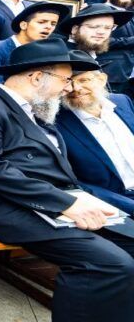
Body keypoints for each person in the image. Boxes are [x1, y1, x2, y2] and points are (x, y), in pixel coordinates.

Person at [0, 37, 134, 322]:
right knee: (106, 262)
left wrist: (77, 199)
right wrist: (66, 204)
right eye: (65, 79)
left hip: (49, 201)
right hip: (0, 206)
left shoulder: (36, 112)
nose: (68, 88)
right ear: (37, 77)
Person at [56, 52, 134, 214]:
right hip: (114, 202)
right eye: (68, 81)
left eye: (83, 80)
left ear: (101, 80)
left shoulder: (122, 101)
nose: (75, 88)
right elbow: (73, 181)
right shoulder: (56, 121)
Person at [0, 2, 69, 92]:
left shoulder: (46, 55)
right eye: (41, 22)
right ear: (23, 25)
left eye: (53, 24)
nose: (48, 27)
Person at [95, 0, 134, 97]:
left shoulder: (130, 14)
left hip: (129, 75)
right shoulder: (100, 11)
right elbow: (98, 40)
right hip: (110, 72)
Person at [56, 2, 133, 58]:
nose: (101, 32)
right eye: (93, 27)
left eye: (108, 28)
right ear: (75, 29)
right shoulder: (62, 56)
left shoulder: (89, 53)